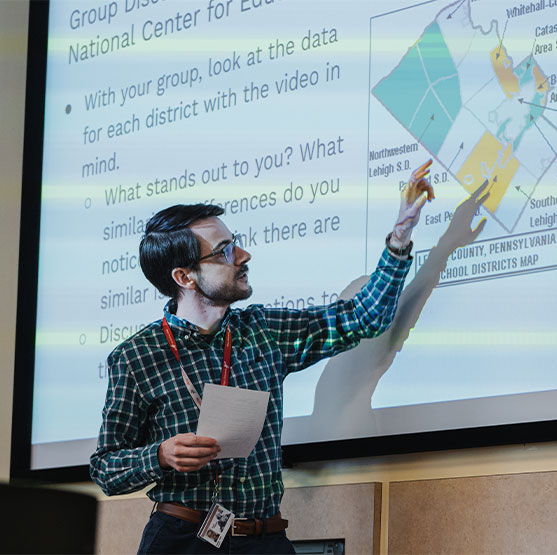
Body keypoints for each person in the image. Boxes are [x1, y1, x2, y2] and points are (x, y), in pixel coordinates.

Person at [89, 161, 435, 554]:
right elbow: (105, 469)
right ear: (184, 277)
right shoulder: (137, 356)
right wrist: (160, 455)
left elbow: (363, 317)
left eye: (235, 242)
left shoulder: (263, 331)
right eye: (225, 251)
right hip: (182, 539)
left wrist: (401, 234)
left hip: (265, 539)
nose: (244, 255)